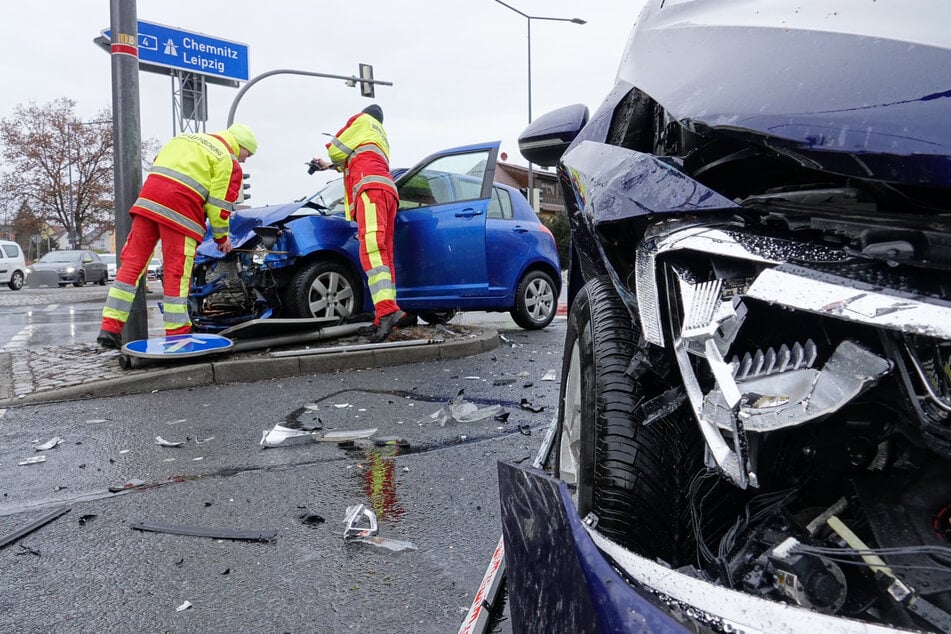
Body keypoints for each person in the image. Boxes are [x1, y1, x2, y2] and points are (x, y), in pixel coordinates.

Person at [97, 123, 257, 349]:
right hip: (181, 215)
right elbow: (219, 208)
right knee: (177, 275)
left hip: (148, 204)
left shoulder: (183, 139)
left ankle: (109, 329)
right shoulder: (227, 161)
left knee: (131, 266)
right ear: (239, 145)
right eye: (247, 153)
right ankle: (177, 336)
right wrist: (222, 239)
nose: (245, 160)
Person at [312, 104, 406, 343]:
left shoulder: (361, 120)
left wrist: (330, 154)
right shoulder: (379, 133)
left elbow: (337, 150)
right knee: (383, 255)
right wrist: (327, 166)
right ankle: (385, 315)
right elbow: (355, 158)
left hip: (370, 190)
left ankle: (387, 311)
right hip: (386, 191)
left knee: (372, 250)